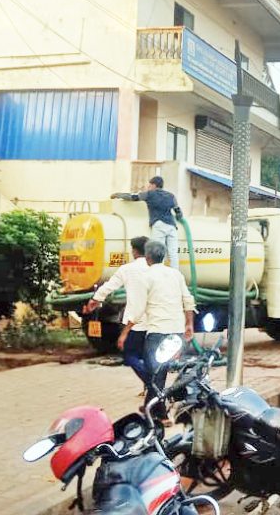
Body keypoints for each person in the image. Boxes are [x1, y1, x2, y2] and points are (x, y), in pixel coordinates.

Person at [124, 241, 196, 422]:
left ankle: (159, 413)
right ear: (163, 256)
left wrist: (126, 331)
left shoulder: (145, 277)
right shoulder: (176, 275)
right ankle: (155, 408)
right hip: (176, 332)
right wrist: (189, 324)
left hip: (157, 333)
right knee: (160, 373)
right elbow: (188, 300)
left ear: (147, 258)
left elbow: (138, 309)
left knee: (153, 374)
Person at [85, 236, 151, 392]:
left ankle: (150, 384)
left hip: (134, 322)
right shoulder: (156, 269)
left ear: (134, 251)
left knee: (130, 356)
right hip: (156, 320)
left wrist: (95, 299)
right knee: (149, 356)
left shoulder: (127, 269)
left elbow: (109, 286)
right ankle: (150, 387)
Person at [113, 176, 183, 270]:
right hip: (172, 226)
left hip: (159, 224)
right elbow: (178, 211)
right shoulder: (171, 196)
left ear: (154, 185)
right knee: (173, 253)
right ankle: (175, 275)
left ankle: (158, 273)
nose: (148, 187)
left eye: (149, 185)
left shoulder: (150, 194)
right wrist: (179, 218)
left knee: (157, 252)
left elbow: (133, 197)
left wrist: (118, 195)